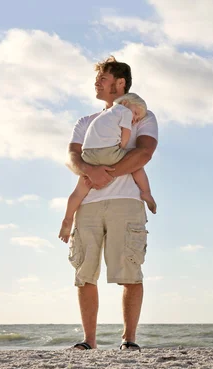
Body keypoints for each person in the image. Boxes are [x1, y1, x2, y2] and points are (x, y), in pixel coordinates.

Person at [66, 56, 158, 351]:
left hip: (126, 201)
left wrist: (108, 175)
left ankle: (129, 340)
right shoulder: (85, 121)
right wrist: (88, 172)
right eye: (97, 79)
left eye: (103, 78)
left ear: (120, 83)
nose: (97, 82)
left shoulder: (143, 116)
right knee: (84, 272)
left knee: (130, 271)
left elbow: (144, 153)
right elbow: (73, 157)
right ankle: (88, 341)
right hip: (89, 205)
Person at [58, 92, 157, 243]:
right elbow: (125, 135)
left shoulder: (101, 116)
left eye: (137, 119)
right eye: (136, 114)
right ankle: (147, 192)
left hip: (89, 155)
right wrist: (121, 148)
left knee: (79, 191)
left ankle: (68, 218)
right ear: (125, 103)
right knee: (136, 164)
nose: (135, 119)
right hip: (109, 152)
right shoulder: (124, 111)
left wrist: (90, 168)